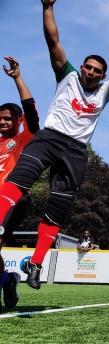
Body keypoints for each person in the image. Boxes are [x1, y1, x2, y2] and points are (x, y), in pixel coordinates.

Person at [0, 0, 109, 290]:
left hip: (76, 151)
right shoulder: (66, 76)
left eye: (97, 71)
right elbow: (53, 40)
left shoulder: (105, 92)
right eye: (88, 67)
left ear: (102, 76)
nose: (91, 72)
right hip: (49, 138)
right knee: (18, 180)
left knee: (58, 209)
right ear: (81, 68)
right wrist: (47, 7)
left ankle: (36, 263)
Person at [0, 56, 40, 312]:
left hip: (14, 199)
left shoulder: (25, 136)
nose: (2, 122)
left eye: (7, 118)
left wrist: (17, 78)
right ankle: (9, 279)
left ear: (19, 120)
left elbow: (32, 111)